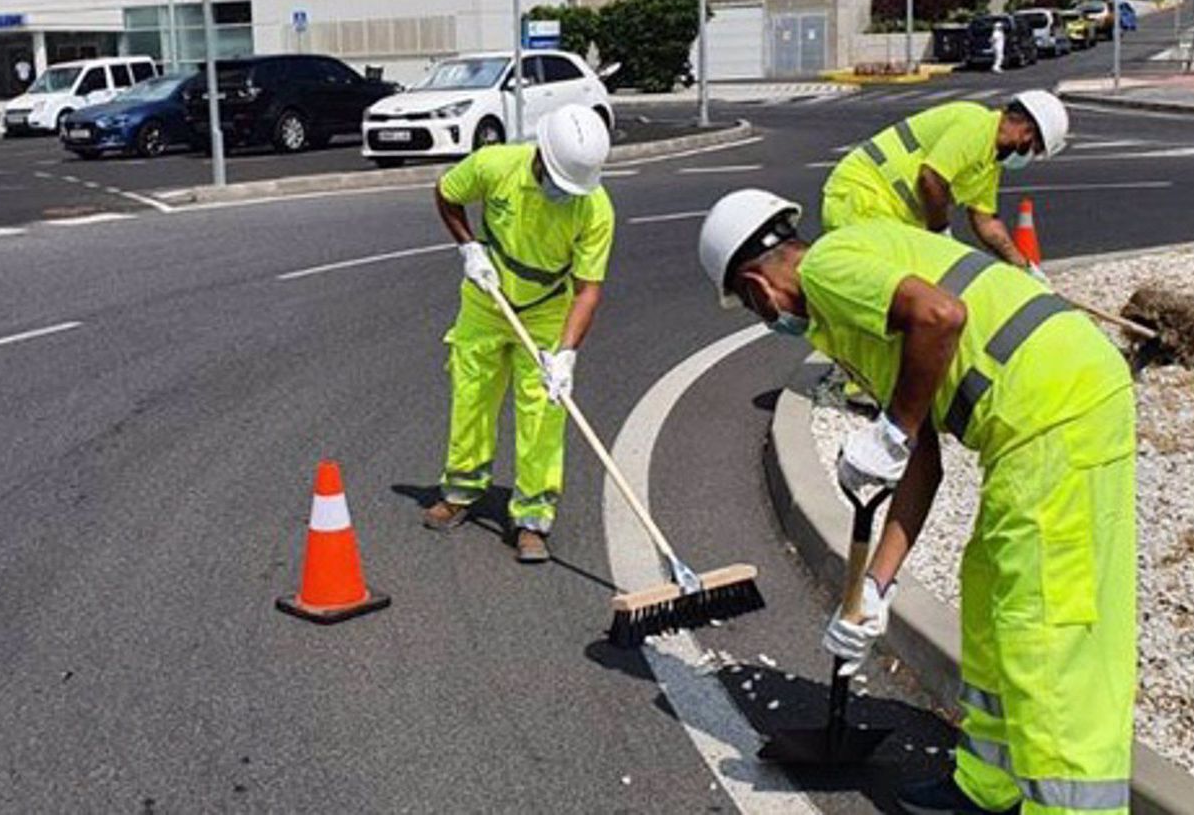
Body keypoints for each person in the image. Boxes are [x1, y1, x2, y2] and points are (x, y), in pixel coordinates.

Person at [698, 190, 1137, 815]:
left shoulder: (830, 268)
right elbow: (922, 465)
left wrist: (892, 431)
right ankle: (988, 785)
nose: (768, 320)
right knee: (988, 595)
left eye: (752, 308)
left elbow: (941, 314)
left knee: (1042, 631)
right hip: (1042, 415)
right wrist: (873, 589)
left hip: (1056, 412)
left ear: (757, 288)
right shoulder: (852, 312)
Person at [422, 105, 616, 563]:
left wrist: (565, 355)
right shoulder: (495, 165)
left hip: (548, 311)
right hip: (486, 299)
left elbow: (588, 290)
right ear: (541, 156)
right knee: (472, 398)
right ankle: (461, 491)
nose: (562, 192)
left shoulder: (594, 208)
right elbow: (446, 193)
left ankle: (532, 516)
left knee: (544, 413)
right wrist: (469, 246)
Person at [820, 93, 1069, 267]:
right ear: (1027, 132)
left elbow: (985, 221)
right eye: (1035, 149)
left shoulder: (991, 163)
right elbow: (931, 178)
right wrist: (941, 233)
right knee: (887, 292)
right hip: (864, 194)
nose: (1029, 156)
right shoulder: (976, 124)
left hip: (891, 213)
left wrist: (1023, 266)